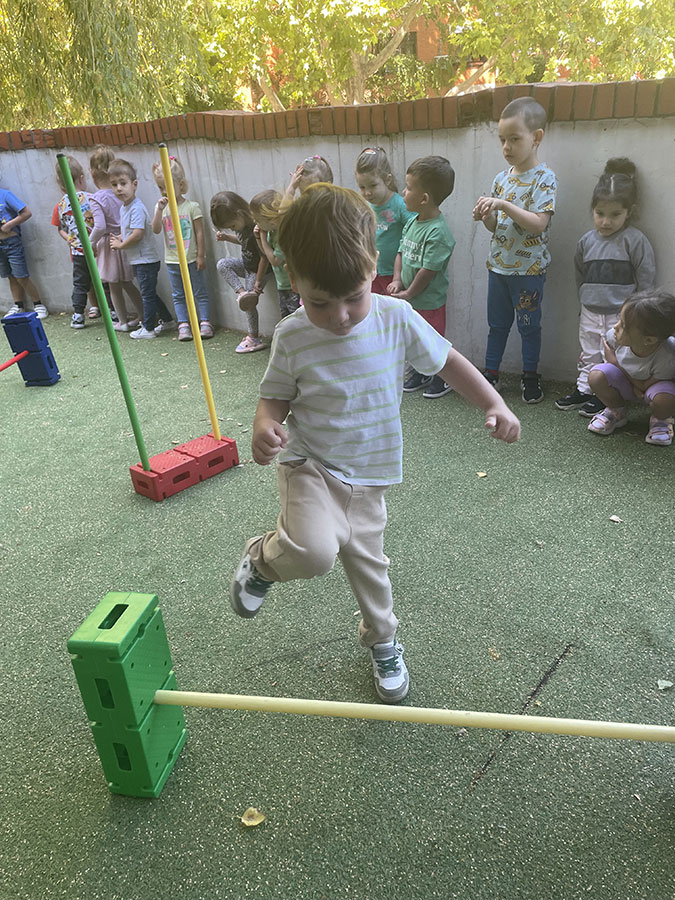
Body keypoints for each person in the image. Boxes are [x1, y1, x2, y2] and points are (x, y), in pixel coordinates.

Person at [229, 184, 521, 705]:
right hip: (311, 466)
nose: (340, 315)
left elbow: (448, 362)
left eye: (354, 297)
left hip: (370, 477)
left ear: (373, 271)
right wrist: (264, 425)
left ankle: (382, 641)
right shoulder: (293, 334)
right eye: (320, 302)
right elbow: (273, 398)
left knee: (371, 571)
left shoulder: (396, 317)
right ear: (294, 279)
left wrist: (493, 402)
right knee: (314, 552)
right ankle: (262, 560)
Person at [473, 97, 558, 404]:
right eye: (502, 140)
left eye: (514, 139)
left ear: (536, 138)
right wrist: (486, 216)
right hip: (499, 268)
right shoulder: (501, 179)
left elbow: (538, 224)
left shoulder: (544, 179)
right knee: (496, 326)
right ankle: (491, 374)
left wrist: (503, 205)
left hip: (528, 272)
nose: (506, 147)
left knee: (528, 326)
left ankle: (530, 376)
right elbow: (497, 228)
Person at [556, 158, 655, 417]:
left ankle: (608, 395)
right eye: (600, 214)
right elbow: (580, 273)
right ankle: (584, 388)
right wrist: (583, 299)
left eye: (615, 215)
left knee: (614, 354)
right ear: (593, 210)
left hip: (621, 313)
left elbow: (646, 277)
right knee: (589, 351)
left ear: (629, 212)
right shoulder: (586, 241)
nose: (606, 221)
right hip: (590, 310)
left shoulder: (634, 240)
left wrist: (637, 313)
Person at [388, 156, 456, 400]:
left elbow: (428, 271)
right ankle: (420, 372)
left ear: (424, 198)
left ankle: (441, 378)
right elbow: (400, 252)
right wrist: (397, 280)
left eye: (408, 188)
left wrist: (409, 293)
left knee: (433, 341)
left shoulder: (438, 232)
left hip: (429, 303)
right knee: (415, 339)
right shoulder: (412, 223)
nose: (403, 192)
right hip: (411, 299)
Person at [586, 289, 675, 445]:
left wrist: (616, 364)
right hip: (631, 384)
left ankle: (661, 419)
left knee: (664, 399)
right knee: (596, 376)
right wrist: (630, 381)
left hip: (652, 388)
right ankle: (616, 411)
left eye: (624, 326)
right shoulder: (614, 336)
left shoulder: (667, 354)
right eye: (619, 320)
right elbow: (609, 352)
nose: (615, 327)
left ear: (649, 340)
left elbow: (647, 385)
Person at [108, 158, 175, 340]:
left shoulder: (136, 208)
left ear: (134, 185)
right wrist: (121, 237)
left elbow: (138, 234)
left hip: (145, 260)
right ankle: (167, 320)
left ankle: (149, 328)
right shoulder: (125, 208)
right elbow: (130, 231)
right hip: (140, 260)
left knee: (147, 295)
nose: (119, 188)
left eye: (123, 183)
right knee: (150, 293)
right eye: (114, 185)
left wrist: (121, 245)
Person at [151, 156, 213, 341]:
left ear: (181, 184)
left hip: (191, 259)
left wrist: (201, 255)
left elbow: (200, 233)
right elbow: (155, 229)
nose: (165, 191)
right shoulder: (162, 208)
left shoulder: (192, 207)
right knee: (178, 294)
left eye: (168, 186)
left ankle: (205, 322)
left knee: (199, 291)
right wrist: (159, 210)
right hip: (172, 261)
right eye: (161, 187)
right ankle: (183, 324)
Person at [88, 145, 144, 331]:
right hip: (125, 241)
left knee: (114, 286)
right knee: (128, 283)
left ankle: (122, 321)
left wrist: (90, 242)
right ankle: (143, 315)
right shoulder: (120, 192)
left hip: (109, 244)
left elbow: (100, 226)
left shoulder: (96, 198)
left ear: (92, 173)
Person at [211, 191, 269, 353]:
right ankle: (242, 294)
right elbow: (243, 242)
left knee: (250, 303)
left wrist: (258, 281)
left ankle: (253, 337)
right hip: (247, 265)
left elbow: (264, 257)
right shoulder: (241, 227)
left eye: (232, 226)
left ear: (239, 214)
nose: (232, 229)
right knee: (223, 264)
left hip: (259, 269)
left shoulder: (256, 229)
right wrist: (227, 237)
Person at [354, 146, 415, 295]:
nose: (367, 192)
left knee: (392, 308)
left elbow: (415, 230)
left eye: (373, 185)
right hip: (371, 271)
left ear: (387, 179)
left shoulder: (400, 205)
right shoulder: (364, 206)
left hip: (394, 275)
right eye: (362, 187)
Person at [52, 156, 97, 329]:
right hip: (96, 248)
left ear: (61, 185)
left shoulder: (61, 205)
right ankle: (113, 311)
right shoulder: (91, 198)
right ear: (82, 178)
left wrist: (70, 239)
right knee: (103, 280)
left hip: (77, 252)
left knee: (80, 283)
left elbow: (61, 229)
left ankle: (78, 314)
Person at [250, 189, 301, 318]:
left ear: (271, 220)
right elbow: (266, 254)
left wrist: (262, 237)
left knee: (296, 318)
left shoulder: (283, 235)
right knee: (285, 317)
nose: (255, 222)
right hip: (282, 285)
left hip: (294, 286)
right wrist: (258, 238)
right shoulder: (271, 232)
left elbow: (274, 260)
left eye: (257, 220)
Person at [0, 184, 47, 319]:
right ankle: (18, 305)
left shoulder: (5, 195)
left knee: (21, 276)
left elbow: (26, 213)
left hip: (12, 243)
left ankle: (38, 304)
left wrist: (9, 225)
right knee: (10, 276)